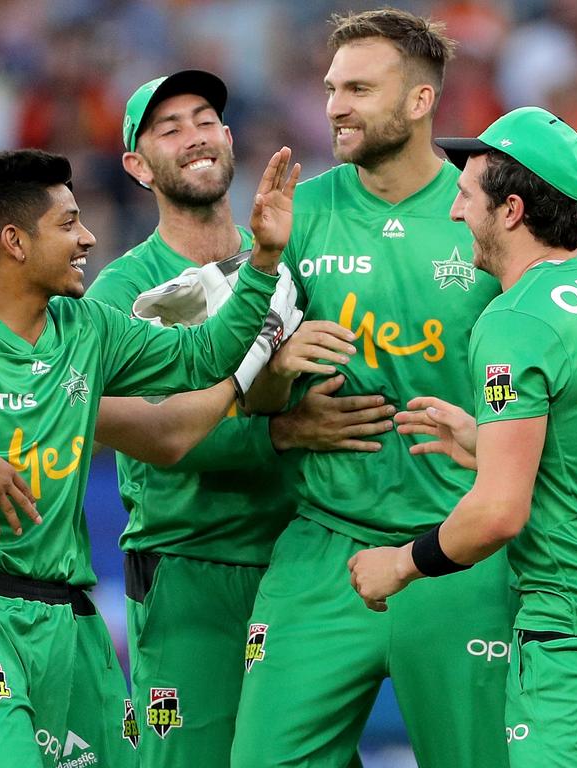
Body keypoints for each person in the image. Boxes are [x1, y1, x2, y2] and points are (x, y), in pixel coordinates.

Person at [0, 145, 296, 766]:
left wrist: (261, 262)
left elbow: (202, 356)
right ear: (11, 242)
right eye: (69, 223)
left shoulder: (88, 327)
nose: (89, 238)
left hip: (69, 618)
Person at [348, 106, 577, 767]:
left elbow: (497, 514)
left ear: (510, 210)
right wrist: (490, 439)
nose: (455, 215)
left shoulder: (515, 319)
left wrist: (398, 564)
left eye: (465, 197)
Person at [229, 9, 515, 768]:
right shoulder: (300, 213)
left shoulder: (484, 216)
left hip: (457, 552)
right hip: (323, 544)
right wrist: (279, 369)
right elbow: (243, 394)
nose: (335, 105)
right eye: (330, 88)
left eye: (359, 88)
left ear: (421, 102)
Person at [85, 69, 393, 766]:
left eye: (204, 120)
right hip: (194, 562)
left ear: (227, 138)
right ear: (137, 165)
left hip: (306, 559)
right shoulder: (125, 291)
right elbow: (156, 433)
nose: (193, 136)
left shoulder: (296, 260)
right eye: (169, 129)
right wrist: (280, 428)